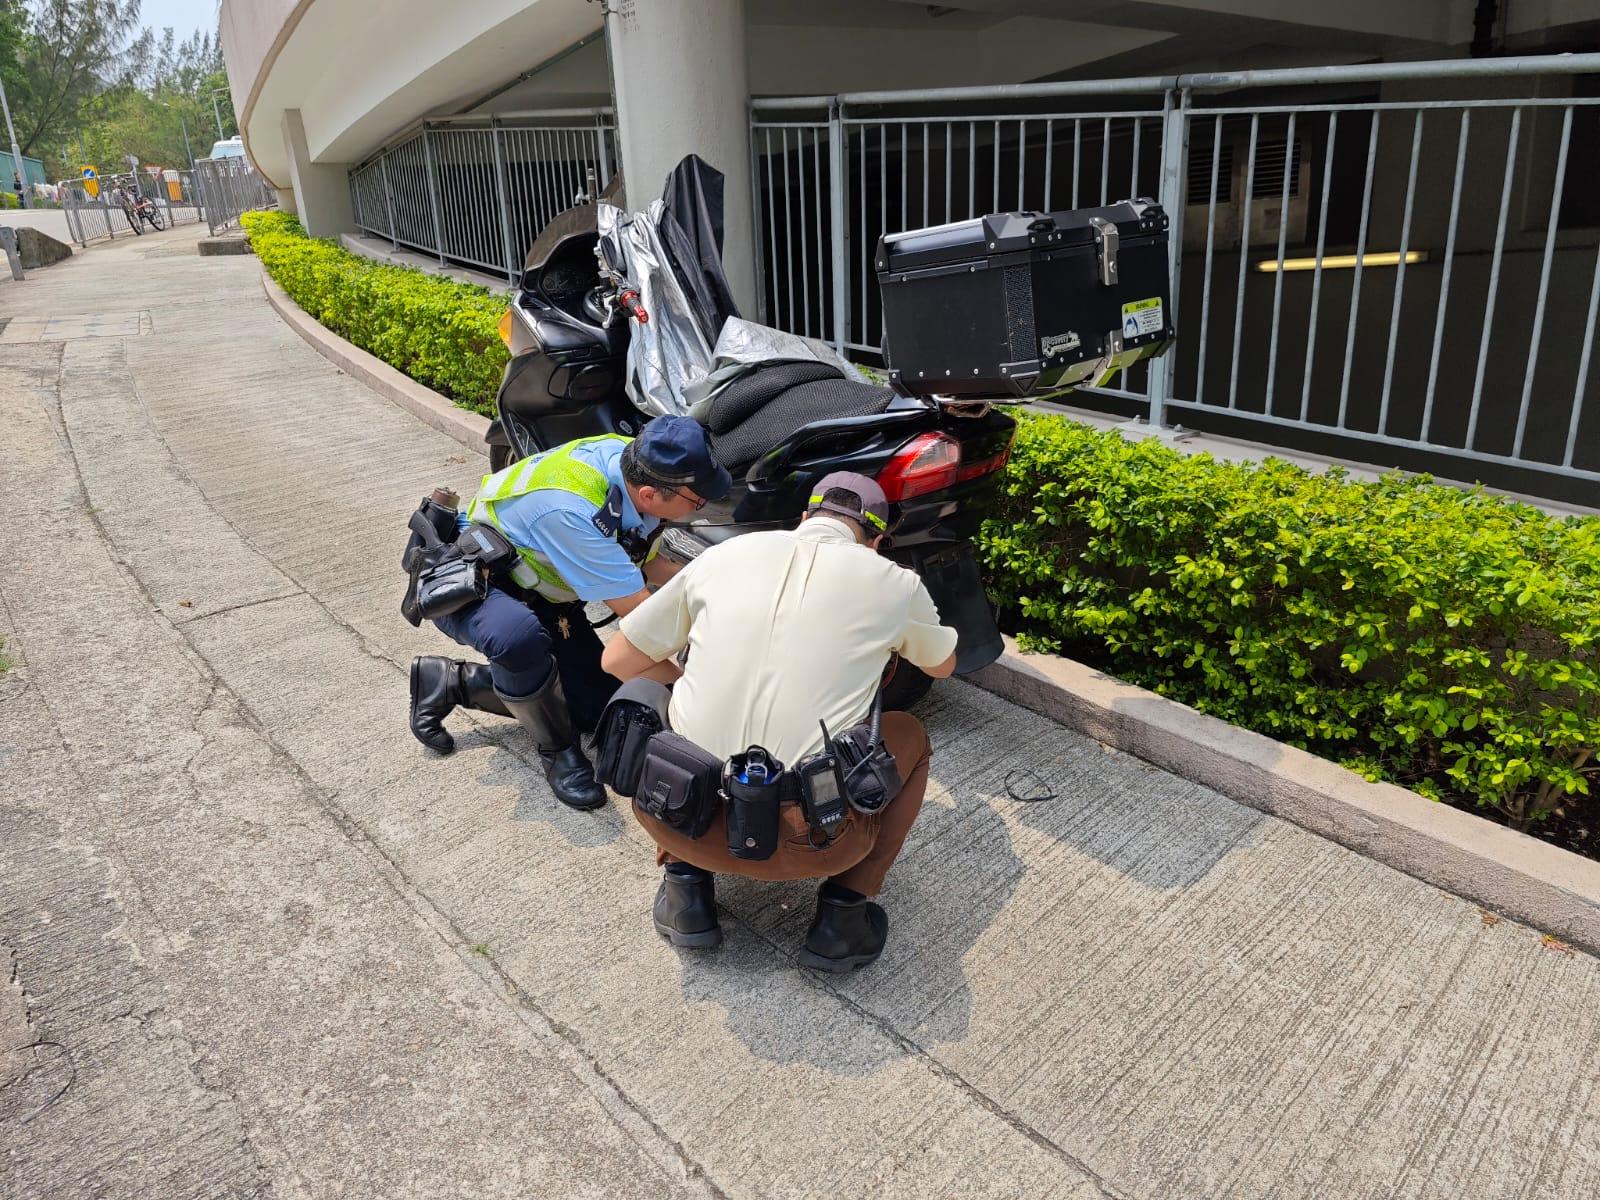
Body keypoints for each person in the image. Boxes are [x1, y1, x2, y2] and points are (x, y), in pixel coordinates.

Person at [601, 472, 959, 972]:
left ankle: (686, 895)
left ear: (805, 518)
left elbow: (617, 661)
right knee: (911, 736)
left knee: (646, 694)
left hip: (678, 815)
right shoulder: (895, 583)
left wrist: (688, 676)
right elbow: (943, 665)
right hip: (817, 841)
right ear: (876, 542)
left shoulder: (723, 557)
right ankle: (843, 919)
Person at [409, 417, 729, 810]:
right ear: (649, 494)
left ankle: (450, 682)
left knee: (600, 709)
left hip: (541, 587)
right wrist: (698, 688)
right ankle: (557, 752)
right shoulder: (572, 512)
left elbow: (644, 560)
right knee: (518, 639)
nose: (703, 507)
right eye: (697, 501)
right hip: (475, 584)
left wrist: (716, 586)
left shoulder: (640, 459)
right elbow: (646, 626)